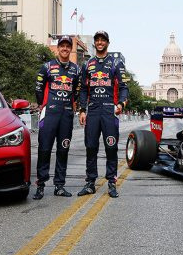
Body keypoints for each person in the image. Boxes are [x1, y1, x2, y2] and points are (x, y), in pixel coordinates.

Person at [77, 30, 128, 198]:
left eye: (103, 40)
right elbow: (83, 89)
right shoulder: (87, 64)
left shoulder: (116, 63)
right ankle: (90, 182)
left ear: (108, 42)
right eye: (97, 40)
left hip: (109, 111)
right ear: (95, 43)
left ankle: (112, 182)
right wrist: (82, 110)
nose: (100, 42)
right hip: (92, 111)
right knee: (91, 147)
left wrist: (121, 103)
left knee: (111, 147)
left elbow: (124, 87)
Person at [33, 35, 81, 200]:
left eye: (68, 46)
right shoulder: (47, 67)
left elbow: (77, 90)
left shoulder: (76, 69)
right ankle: (40, 185)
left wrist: (73, 105)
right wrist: (43, 104)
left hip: (66, 115)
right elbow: (38, 88)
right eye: (62, 46)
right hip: (49, 114)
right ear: (58, 48)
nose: (65, 48)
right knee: (44, 149)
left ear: (70, 49)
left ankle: (59, 185)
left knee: (63, 150)